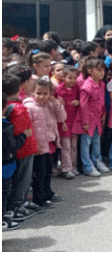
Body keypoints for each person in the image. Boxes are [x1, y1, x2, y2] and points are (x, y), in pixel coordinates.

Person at [3, 72, 42, 217]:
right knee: (23, 179)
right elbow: (22, 131)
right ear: (20, 87)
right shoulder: (18, 109)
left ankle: (21, 201)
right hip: (24, 149)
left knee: (19, 179)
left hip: (16, 150)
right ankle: (18, 204)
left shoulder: (8, 106)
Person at [23, 79, 66, 208]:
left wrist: (56, 103)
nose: (42, 96)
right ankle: (39, 200)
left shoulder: (50, 105)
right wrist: (33, 146)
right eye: (39, 93)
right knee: (39, 174)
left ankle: (48, 193)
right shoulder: (29, 106)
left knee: (48, 171)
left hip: (50, 144)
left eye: (45, 93)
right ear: (32, 92)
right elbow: (27, 128)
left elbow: (62, 117)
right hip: (38, 147)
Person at [72, 59, 109, 177]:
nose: (102, 73)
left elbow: (102, 100)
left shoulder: (102, 84)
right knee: (85, 143)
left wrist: (104, 112)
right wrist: (85, 121)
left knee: (96, 141)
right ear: (90, 71)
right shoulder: (87, 86)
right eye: (98, 70)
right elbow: (83, 104)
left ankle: (97, 160)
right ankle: (87, 166)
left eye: (103, 70)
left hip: (98, 118)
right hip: (88, 119)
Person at [3, 93, 31, 231]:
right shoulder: (6, 127)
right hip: (5, 168)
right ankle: (3, 220)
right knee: (3, 194)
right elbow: (13, 145)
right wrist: (23, 135)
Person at [54, 66, 80, 179]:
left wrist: (77, 102)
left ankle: (74, 167)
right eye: (70, 77)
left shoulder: (77, 88)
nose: (72, 80)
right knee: (66, 146)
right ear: (64, 77)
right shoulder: (60, 90)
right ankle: (66, 168)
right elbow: (59, 107)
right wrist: (62, 121)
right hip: (64, 122)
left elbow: (81, 100)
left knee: (74, 146)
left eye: (75, 78)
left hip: (75, 121)